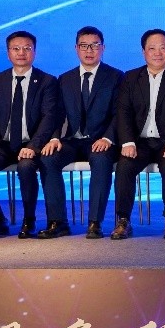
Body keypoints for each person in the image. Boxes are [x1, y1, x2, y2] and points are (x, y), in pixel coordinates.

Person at [0, 30, 60, 239]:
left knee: (26, 167)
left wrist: (33, 146)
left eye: (27, 48)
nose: (21, 53)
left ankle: (29, 220)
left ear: (34, 52)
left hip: (31, 143)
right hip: (3, 144)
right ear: (8, 53)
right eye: (16, 48)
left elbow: (49, 117)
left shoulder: (47, 81)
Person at [111, 29, 165, 240]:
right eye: (152, 48)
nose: (158, 53)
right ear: (143, 52)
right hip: (138, 143)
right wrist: (127, 142)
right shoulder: (130, 78)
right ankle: (123, 220)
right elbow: (123, 112)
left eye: (163, 48)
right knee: (124, 166)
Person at [38, 26, 121, 239]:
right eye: (84, 46)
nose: (89, 50)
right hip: (72, 140)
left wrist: (108, 138)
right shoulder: (65, 79)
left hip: (101, 140)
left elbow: (120, 114)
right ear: (76, 48)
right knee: (48, 159)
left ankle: (95, 222)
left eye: (94, 45)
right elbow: (57, 114)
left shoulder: (115, 77)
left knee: (101, 159)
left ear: (103, 48)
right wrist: (54, 137)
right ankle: (58, 222)